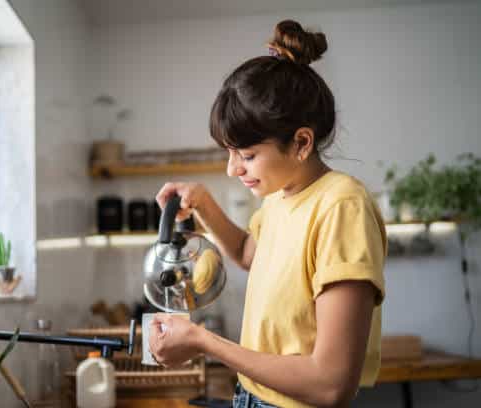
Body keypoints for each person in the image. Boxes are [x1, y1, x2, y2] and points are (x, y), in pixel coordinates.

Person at [149, 19, 386, 408]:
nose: (233, 169)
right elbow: (248, 254)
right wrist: (203, 202)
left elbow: (331, 385)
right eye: (229, 153)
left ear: (301, 143)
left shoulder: (342, 207)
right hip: (252, 398)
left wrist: (203, 342)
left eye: (247, 155)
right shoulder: (280, 195)